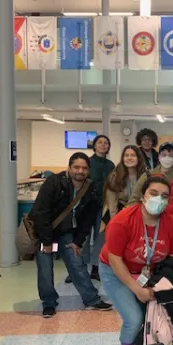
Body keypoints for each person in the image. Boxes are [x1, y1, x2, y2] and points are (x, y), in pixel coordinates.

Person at [99, 175, 173, 345]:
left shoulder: (170, 224)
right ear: (143, 195)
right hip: (115, 271)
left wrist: (160, 285)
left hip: (147, 273)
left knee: (152, 317)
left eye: (165, 196)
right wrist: (137, 290)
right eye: (154, 193)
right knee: (134, 319)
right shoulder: (122, 221)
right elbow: (115, 259)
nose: (159, 199)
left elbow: (171, 259)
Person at [30, 152, 113, 318]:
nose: (80, 171)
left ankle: (91, 300)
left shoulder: (90, 189)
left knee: (77, 264)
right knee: (45, 269)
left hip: (66, 233)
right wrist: (46, 242)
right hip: (44, 233)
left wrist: (78, 241)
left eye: (84, 168)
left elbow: (87, 220)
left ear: (88, 170)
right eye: (76, 167)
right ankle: (48, 303)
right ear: (69, 167)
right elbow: (41, 212)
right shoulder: (54, 182)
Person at [130, 142, 173, 233]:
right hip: (149, 224)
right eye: (164, 155)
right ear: (159, 157)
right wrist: (140, 218)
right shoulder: (148, 176)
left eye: (170, 155)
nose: (167, 158)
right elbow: (134, 200)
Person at [75, 134, 114, 283]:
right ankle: (79, 267)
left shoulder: (111, 165)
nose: (103, 145)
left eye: (106, 143)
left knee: (100, 238)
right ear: (95, 145)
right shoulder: (88, 163)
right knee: (83, 238)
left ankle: (96, 268)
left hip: (103, 206)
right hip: (87, 205)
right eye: (100, 142)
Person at [102, 145, 147, 225]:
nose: (129, 158)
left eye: (133, 155)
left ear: (139, 158)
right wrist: (115, 223)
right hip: (119, 213)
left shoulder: (145, 176)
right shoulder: (115, 177)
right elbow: (112, 204)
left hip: (140, 215)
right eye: (126, 155)